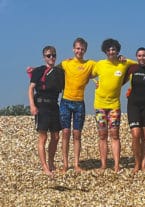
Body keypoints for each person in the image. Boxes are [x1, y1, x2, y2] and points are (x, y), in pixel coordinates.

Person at [92, 38, 137, 173]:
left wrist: (124, 58)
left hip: (114, 105)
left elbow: (139, 64)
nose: (111, 52)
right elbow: (88, 74)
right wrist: (96, 82)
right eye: (109, 49)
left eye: (114, 49)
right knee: (102, 135)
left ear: (117, 50)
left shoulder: (123, 63)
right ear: (105, 51)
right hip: (99, 105)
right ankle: (103, 164)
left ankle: (117, 165)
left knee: (115, 134)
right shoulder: (99, 64)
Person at [58, 37, 96, 173]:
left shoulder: (90, 64)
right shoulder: (65, 63)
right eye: (78, 48)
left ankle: (76, 164)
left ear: (85, 50)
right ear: (73, 49)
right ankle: (65, 164)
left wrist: (120, 58)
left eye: (82, 49)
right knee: (66, 132)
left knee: (77, 134)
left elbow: (103, 68)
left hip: (79, 102)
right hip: (65, 101)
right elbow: (51, 71)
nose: (80, 51)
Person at [28, 45, 64, 177]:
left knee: (56, 136)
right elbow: (31, 88)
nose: (52, 58)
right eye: (49, 55)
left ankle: (51, 162)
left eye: (54, 55)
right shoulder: (39, 71)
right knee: (43, 137)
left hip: (54, 106)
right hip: (41, 106)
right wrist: (32, 105)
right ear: (44, 57)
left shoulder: (59, 72)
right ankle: (44, 167)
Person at [125, 47, 145, 173]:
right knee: (136, 135)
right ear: (136, 57)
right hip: (133, 105)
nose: (141, 57)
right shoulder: (132, 69)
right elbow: (118, 82)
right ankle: (136, 163)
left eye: (144, 55)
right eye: (139, 55)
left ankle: (144, 164)